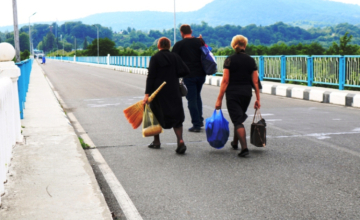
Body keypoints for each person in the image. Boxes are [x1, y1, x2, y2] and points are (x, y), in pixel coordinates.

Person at [215, 35, 261, 157]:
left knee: (237, 120)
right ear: (245, 46)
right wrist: (258, 99)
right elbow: (255, 82)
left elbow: (225, 81)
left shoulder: (229, 60)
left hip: (233, 94)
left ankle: (244, 148)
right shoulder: (251, 60)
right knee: (238, 118)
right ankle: (235, 143)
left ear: (233, 45)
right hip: (246, 93)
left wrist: (219, 99)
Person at [143, 37, 190, 154]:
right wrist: (175, 74)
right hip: (173, 90)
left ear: (159, 46)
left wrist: (147, 95)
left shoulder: (155, 58)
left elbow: (151, 77)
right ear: (169, 46)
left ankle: (156, 142)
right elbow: (186, 71)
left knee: (155, 115)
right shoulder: (175, 57)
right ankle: (180, 140)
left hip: (158, 92)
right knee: (176, 115)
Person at [172, 24, 206, 133]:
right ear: (191, 31)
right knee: (197, 97)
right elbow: (207, 52)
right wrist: (201, 40)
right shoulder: (199, 41)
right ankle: (199, 120)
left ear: (181, 32)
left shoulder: (179, 44)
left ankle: (196, 124)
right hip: (201, 74)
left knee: (191, 99)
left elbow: (173, 59)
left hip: (188, 75)